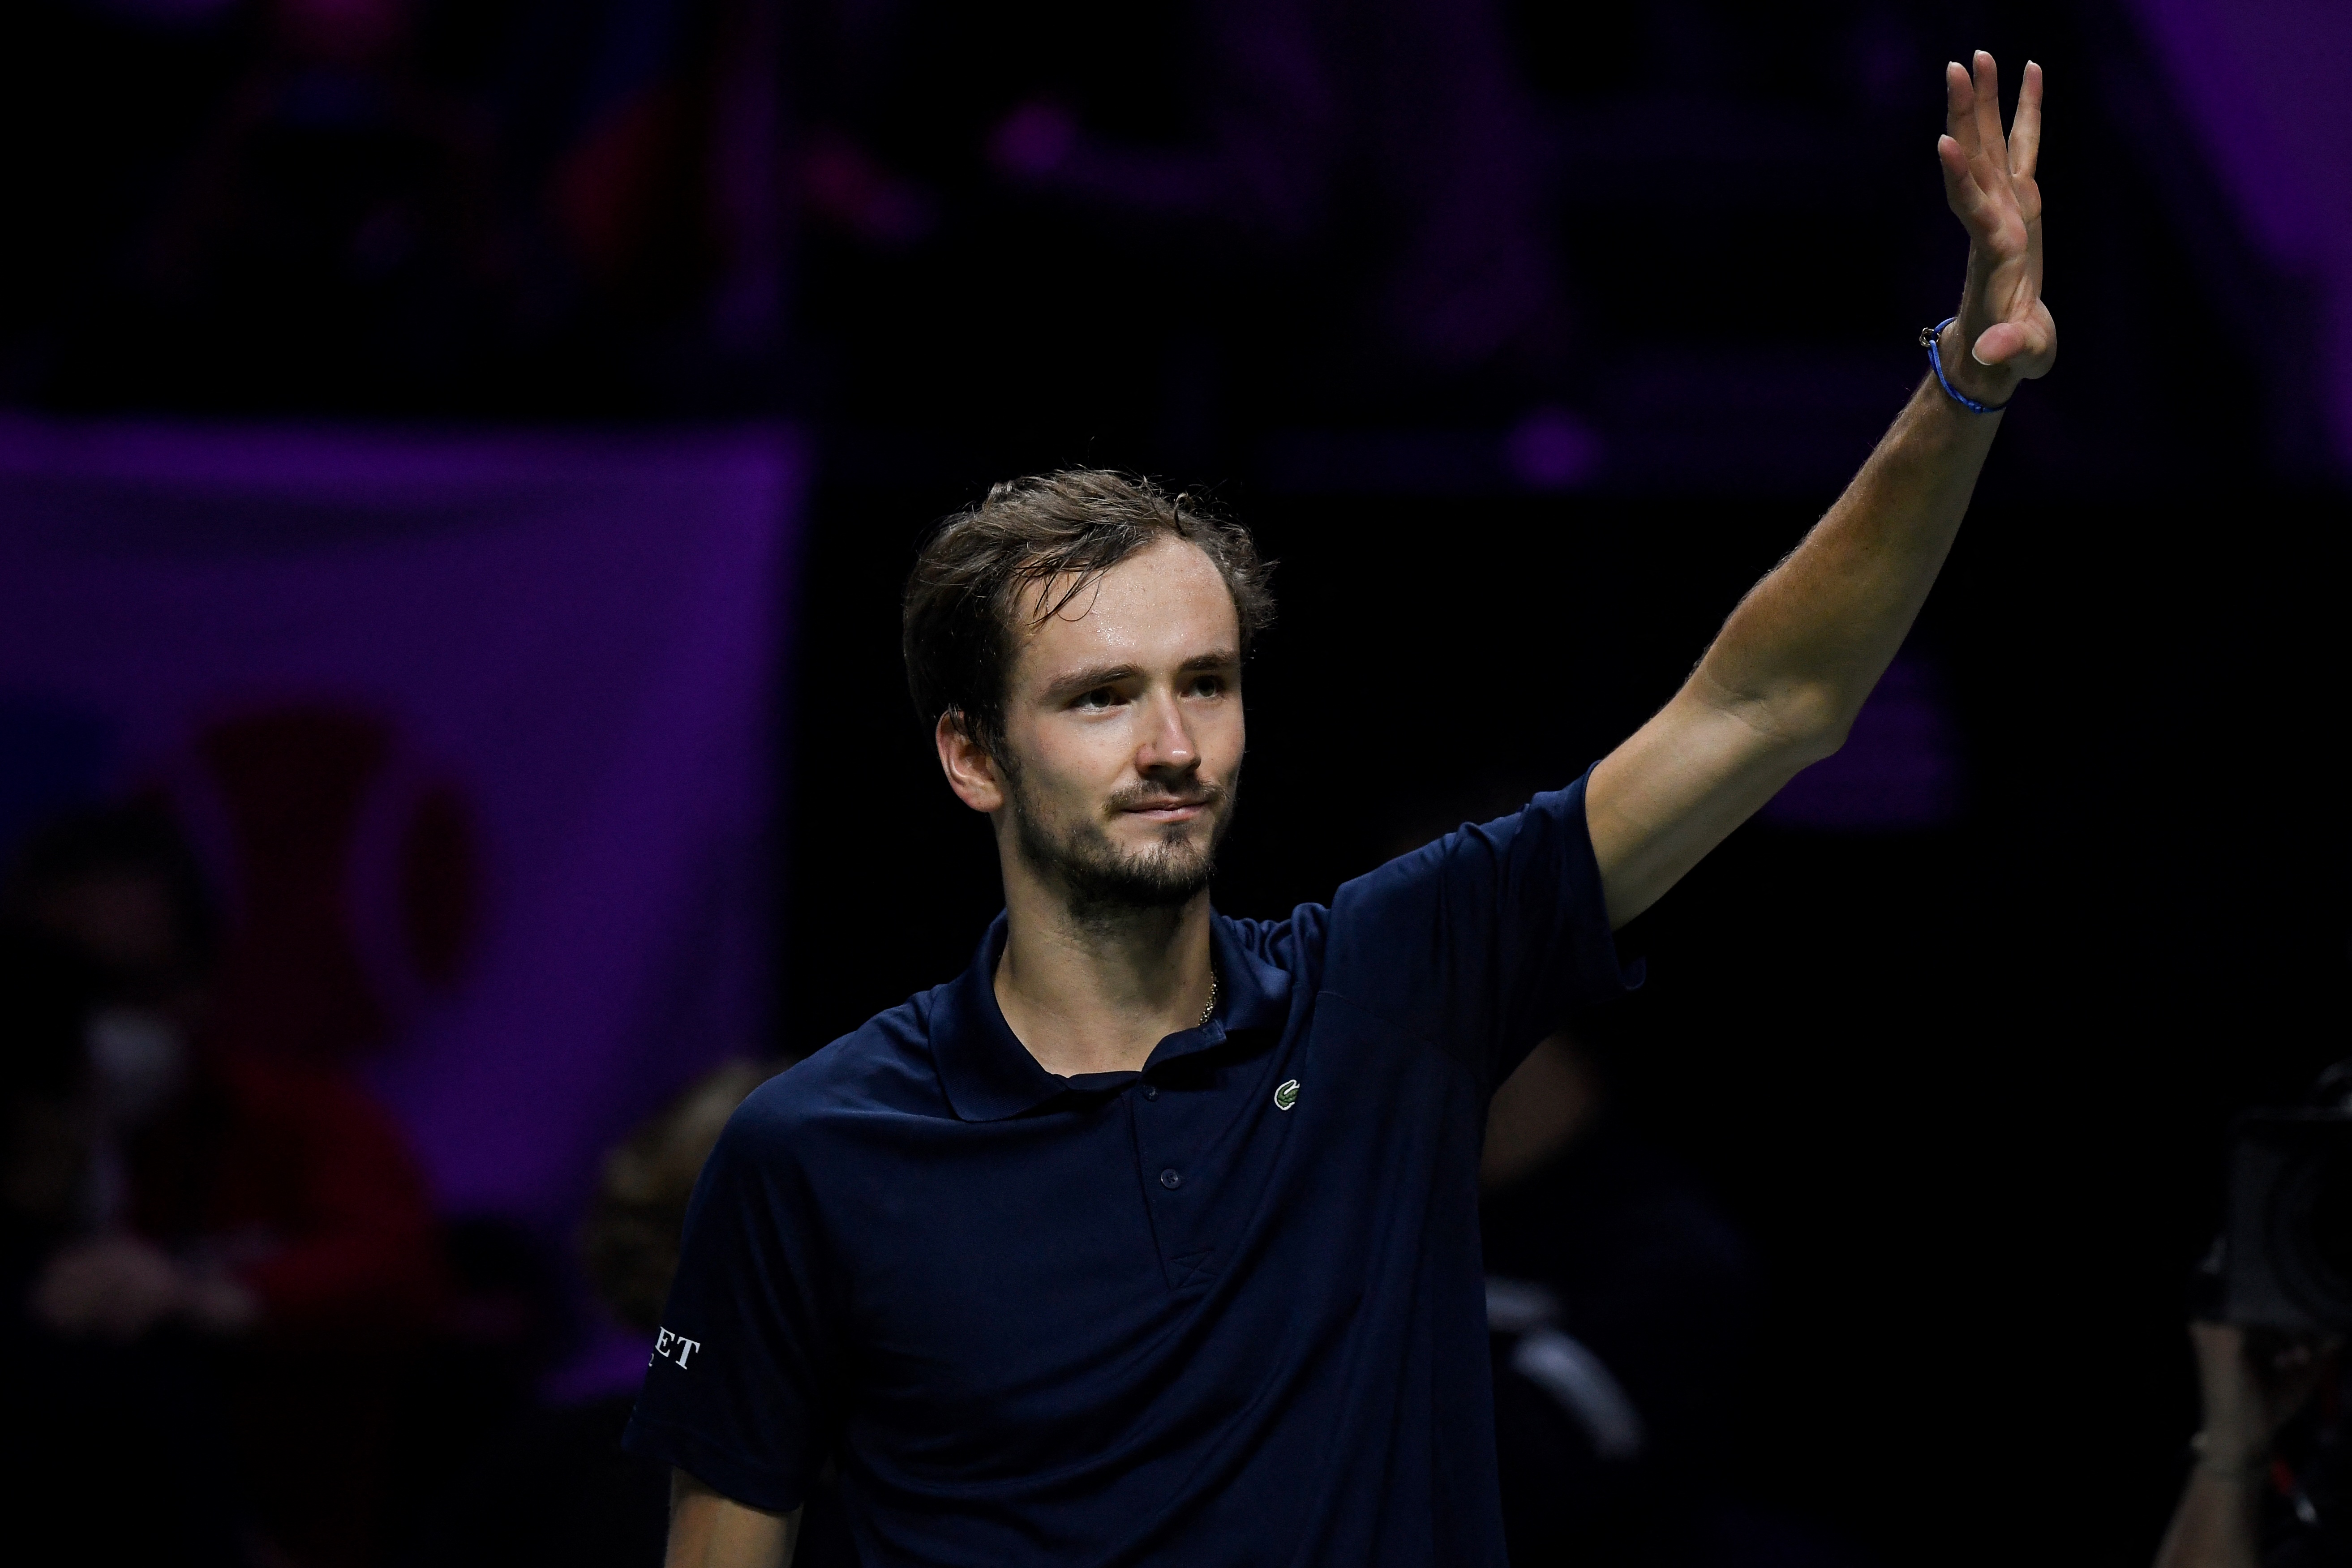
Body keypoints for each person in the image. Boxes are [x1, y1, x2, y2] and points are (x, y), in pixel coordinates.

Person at [626, 53, 2055, 1567]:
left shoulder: (1388, 991)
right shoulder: (806, 1152)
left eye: (1205, 683)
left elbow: (1768, 704)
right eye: (1100, 697)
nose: (1171, 742)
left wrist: (1959, 381)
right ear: (972, 757)